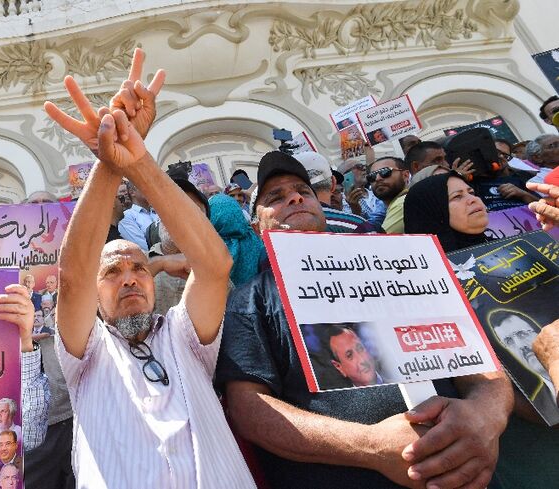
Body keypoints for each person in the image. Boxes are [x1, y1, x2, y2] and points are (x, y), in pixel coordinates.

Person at [217, 151, 514, 488]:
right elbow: (248, 410)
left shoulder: (400, 264)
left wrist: (485, 417)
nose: (295, 197)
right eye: (276, 197)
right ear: (257, 225)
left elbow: (481, 368)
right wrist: (371, 446)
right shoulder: (249, 300)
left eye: (303, 190)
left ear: (322, 209)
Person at [43, 55, 256, 487]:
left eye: (139, 268)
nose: (128, 278)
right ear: (95, 302)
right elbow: (75, 276)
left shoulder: (184, 336)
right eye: (112, 272)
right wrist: (108, 163)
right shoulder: (85, 354)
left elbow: (215, 267)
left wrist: (137, 160)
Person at [404, 172, 489, 252]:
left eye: (471, 192)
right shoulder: (432, 265)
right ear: (435, 212)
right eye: (457, 196)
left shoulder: (498, 247)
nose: (473, 199)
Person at [294, 151, 377, 233]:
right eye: (358, 166)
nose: (364, 168)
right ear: (333, 183)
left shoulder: (285, 227)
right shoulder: (358, 225)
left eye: (339, 191)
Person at [490, 311, 555, 395]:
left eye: (522, 334)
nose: (520, 346)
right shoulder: (536, 402)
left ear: (540, 332)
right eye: (509, 341)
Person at [337, 158, 386, 227]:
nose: (364, 169)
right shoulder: (339, 202)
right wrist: (356, 211)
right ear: (345, 175)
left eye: (364, 166)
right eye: (359, 166)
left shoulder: (378, 193)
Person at [367, 156, 410, 233]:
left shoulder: (404, 202)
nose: (377, 178)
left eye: (385, 172)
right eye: (372, 176)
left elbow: (378, 242)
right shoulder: (383, 210)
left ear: (405, 175)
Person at [116, 180, 159, 250]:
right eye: (145, 186)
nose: (150, 189)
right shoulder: (127, 217)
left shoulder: (157, 210)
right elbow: (144, 249)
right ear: (132, 192)